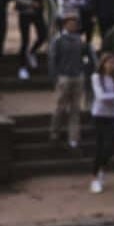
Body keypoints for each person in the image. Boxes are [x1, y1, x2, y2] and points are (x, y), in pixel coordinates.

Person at [49, 11, 90, 150]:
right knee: (60, 107)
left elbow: (86, 56)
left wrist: (84, 69)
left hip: (78, 76)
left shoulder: (80, 40)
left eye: (75, 24)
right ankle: (55, 132)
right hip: (64, 77)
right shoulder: (58, 40)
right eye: (70, 23)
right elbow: (53, 60)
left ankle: (73, 137)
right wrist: (55, 77)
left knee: (75, 109)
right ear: (65, 25)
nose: (73, 26)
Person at [90, 53, 114, 194]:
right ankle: (95, 177)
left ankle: (103, 170)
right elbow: (100, 96)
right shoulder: (96, 77)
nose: (111, 66)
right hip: (99, 115)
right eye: (108, 63)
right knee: (100, 146)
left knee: (110, 146)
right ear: (103, 64)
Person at [15, 0, 49, 79]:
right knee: (25, 40)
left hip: (37, 13)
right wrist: (30, 2)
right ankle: (22, 67)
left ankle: (32, 51)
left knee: (43, 35)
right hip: (24, 12)